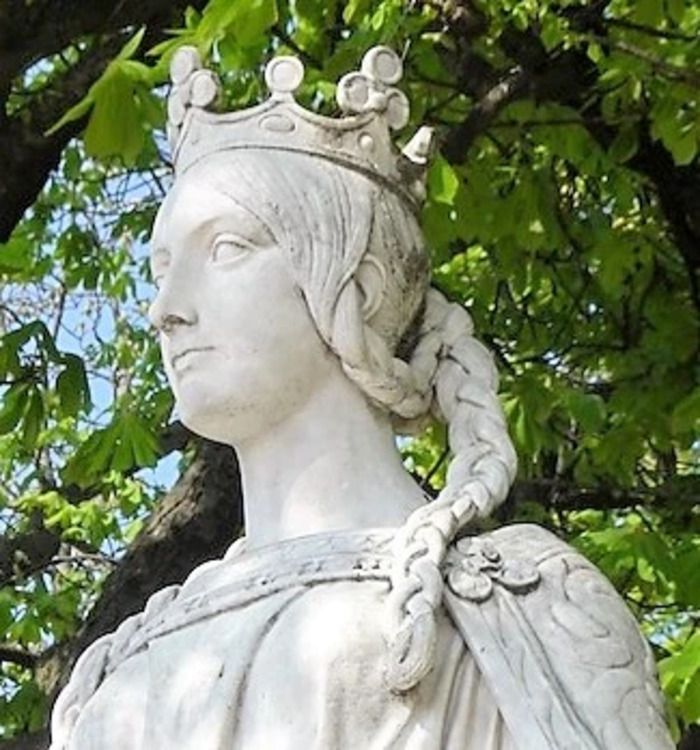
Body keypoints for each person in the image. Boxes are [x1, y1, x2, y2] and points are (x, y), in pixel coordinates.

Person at [50, 46, 673, 750]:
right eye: (162, 268)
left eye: (224, 249)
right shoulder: (121, 674)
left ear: (359, 288)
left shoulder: (522, 610)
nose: (165, 308)